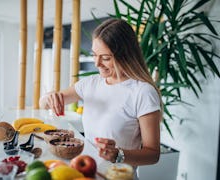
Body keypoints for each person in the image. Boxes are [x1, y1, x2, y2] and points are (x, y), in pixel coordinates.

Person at [40, 18, 162, 169]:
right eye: (94, 55)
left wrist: (118, 155)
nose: (96, 63)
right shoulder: (90, 83)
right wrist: (49, 97)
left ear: (125, 55)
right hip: (88, 172)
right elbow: (43, 104)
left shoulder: (143, 92)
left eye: (105, 58)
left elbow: (153, 154)